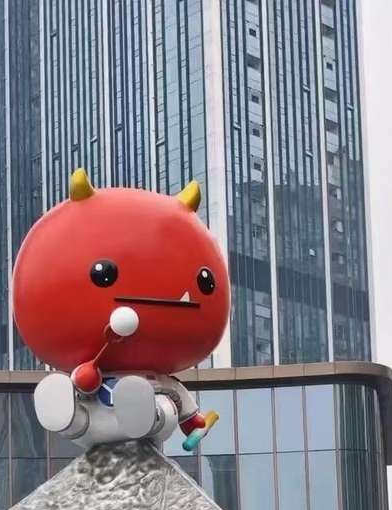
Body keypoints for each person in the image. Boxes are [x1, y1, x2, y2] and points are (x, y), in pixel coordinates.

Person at [12, 169, 230, 449]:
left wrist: (196, 424)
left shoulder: (166, 383)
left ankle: (144, 414)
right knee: (84, 417)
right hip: (97, 408)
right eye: (104, 274)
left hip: (152, 408)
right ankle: (68, 414)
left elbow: (188, 412)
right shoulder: (100, 368)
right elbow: (86, 379)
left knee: (164, 407)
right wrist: (84, 376)